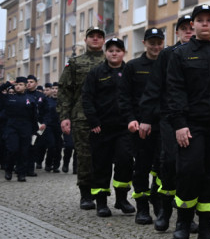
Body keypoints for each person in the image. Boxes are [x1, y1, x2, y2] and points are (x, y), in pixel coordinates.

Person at [164, 4, 210, 239]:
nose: (204, 23)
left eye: (209, 20)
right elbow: (174, 90)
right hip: (190, 126)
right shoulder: (180, 54)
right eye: (200, 20)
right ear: (193, 24)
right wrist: (179, 124)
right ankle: (183, 224)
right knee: (189, 173)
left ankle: (206, 228)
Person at [138, 15, 194, 232]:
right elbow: (154, 87)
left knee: (190, 168)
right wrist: (146, 118)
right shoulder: (168, 55)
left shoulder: (208, 52)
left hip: (196, 118)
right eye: (183, 29)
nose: (188, 32)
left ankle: (187, 215)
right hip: (169, 117)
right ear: (177, 32)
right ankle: (164, 211)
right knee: (168, 164)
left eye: (191, 28)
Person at [81, 37, 135, 217]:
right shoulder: (96, 72)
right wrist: (94, 121)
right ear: (106, 53)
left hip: (124, 127)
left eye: (118, 50)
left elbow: (136, 98)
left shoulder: (129, 71)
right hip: (101, 128)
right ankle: (102, 202)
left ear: (123, 53)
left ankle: (122, 199)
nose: (114, 53)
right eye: (111, 50)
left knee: (125, 161)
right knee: (101, 165)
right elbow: (87, 98)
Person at [58, 27, 107, 208]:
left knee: (104, 156)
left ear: (103, 40)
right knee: (85, 156)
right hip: (81, 116)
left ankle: (102, 192)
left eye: (99, 37)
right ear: (85, 40)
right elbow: (64, 91)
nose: (95, 39)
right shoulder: (75, 63)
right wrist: (64, 116)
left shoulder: (111, 60)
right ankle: (85, 194)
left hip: (107, 116)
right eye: (91, 37)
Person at [120, 27, 165, 225]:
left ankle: (159, 201)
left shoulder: (168, 63)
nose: (156, 46)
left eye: (159, 42)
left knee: (164, 167)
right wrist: (130, 119)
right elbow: (124, 97)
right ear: (144, 43)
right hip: (140, 127)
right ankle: (142, 207)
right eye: (152, 42)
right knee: (142, 168)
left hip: (164, 124)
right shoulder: (133, 66)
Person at [2, 77, 44, 181]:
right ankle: (8, 169)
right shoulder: (9, 97)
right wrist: (7, 84)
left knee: (24, 151)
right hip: (12, 126)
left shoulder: (30, 98)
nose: (18, 86)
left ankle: (21, 173)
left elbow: (34, 116)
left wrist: (35, 130)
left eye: (20, 84)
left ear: (25, 86)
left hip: (26, 127)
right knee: (13, 149)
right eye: (16, 85)